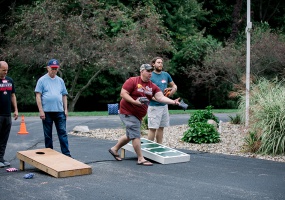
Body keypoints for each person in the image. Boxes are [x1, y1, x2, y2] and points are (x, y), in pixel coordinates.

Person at [108, 64, 180, 166]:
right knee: (136, 134)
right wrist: (135, 102)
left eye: (151, 71)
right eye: (148, 71)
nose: (150, 73)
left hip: (138, 115)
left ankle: (114, 149)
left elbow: (160, 98)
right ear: (142, 71)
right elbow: (123, 94)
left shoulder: (152, 86)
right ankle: (141, 158)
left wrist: (173, 102)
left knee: (130, 135)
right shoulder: (132, 81)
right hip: (128, 112)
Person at [35, 59, 71, 157]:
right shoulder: (42, 80)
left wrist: (66, 110)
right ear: (48, 68)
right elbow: (38, 95)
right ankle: (49, 155)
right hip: (47, 111)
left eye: (56, 69)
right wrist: (41, 110)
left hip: (59, 111)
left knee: (62, 133)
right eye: (52, 69)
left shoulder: (60, 80)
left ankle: (66, 154)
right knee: (48, 135)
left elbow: (64, 95)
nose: (54, 71)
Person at [147, 57, 177, 144]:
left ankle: (159, 147)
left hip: (164, 106)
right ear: (153, 64)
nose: (160, 64)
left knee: (161, 127)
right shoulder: (150, 75)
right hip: (154, 106)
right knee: (152, 128)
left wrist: (171, 91)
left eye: (161, 62)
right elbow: (148, 93)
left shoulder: (166, 75)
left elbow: (174, 86)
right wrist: (157, 99)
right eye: (158, 62)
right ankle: (149, 149)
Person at [0, 61, 18, 167]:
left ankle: (1, 158)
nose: (5, 72)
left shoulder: (10, 80)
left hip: (7, 114)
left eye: (6, 70)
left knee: (4, 138)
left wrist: (15, 109)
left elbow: (13, 95)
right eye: (3, 70)